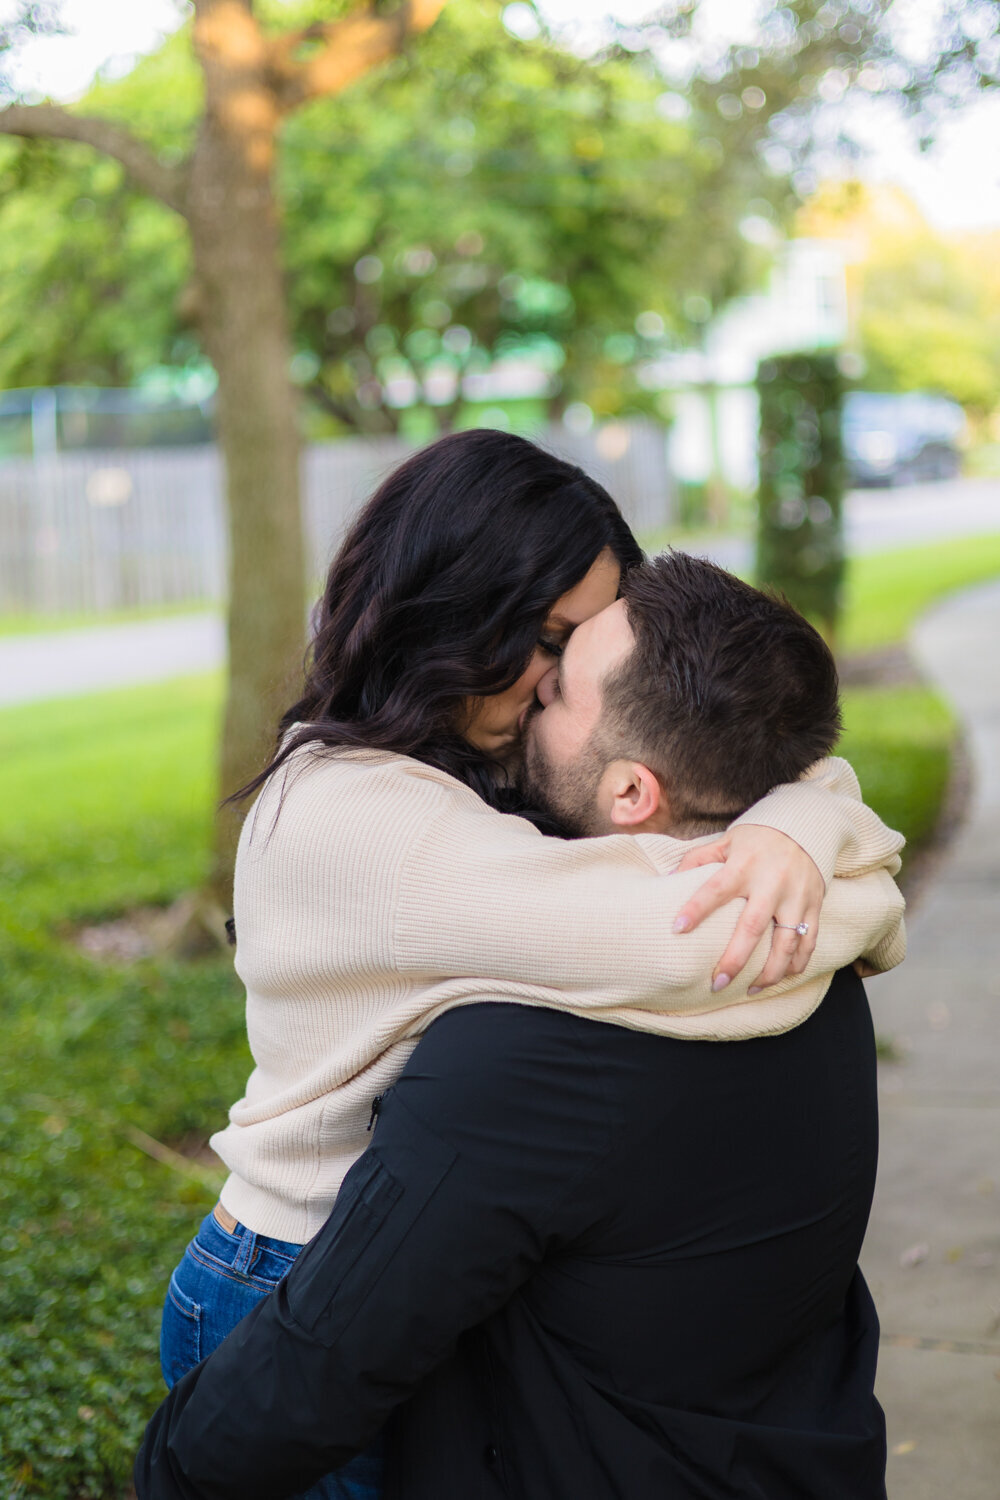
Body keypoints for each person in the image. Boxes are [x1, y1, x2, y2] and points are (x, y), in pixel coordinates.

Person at [155, 433, 904, 1500]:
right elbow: (699, 934)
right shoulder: (370, 828)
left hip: (393, 1270)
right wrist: (823, 855)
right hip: (286, 1288)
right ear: (456, 616)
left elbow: (721, 763)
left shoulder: (480, 753)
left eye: (585, 641)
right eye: (550, 639)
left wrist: (791, 813)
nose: (563, 678)